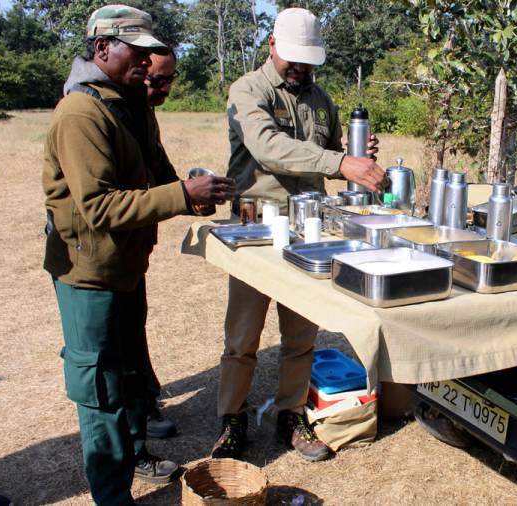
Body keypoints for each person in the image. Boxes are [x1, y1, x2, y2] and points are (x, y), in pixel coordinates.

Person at [43, 5, 235, 504]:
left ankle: (133, 458)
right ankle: (111, 495)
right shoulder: (82, 112)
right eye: (138, 50)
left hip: (126, 266)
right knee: (101, 387)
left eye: (151, 52)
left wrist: (199, 193)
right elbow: (97, 207)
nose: (148, 63)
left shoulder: (133, 105)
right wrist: (180, 195)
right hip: (89, 273)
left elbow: (160, 177)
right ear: (102, 48)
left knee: (129, 375)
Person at [211, 7, 384, 462]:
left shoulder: (322, 100)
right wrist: (340, 162)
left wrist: (351, 155)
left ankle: (291, 415)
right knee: (242, 337)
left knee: (301, 335)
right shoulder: (247, 90)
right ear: (272, 46)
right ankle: (232, 421)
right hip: (255, 227)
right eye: (292, 59)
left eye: (307, 61)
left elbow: (323, 156)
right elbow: (268, 147)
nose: (299, 68)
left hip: (310, 230)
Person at [142, 48, 180, 439]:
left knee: (133, 323)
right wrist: (183, 195)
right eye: (157, 80)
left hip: (133, 247)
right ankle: (139, 413)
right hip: (93, 256)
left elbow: (158, 161)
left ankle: (145, 400)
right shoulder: (87, 109)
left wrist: (190, 196)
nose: (165, 87)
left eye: (171, 79)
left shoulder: (143, 111)